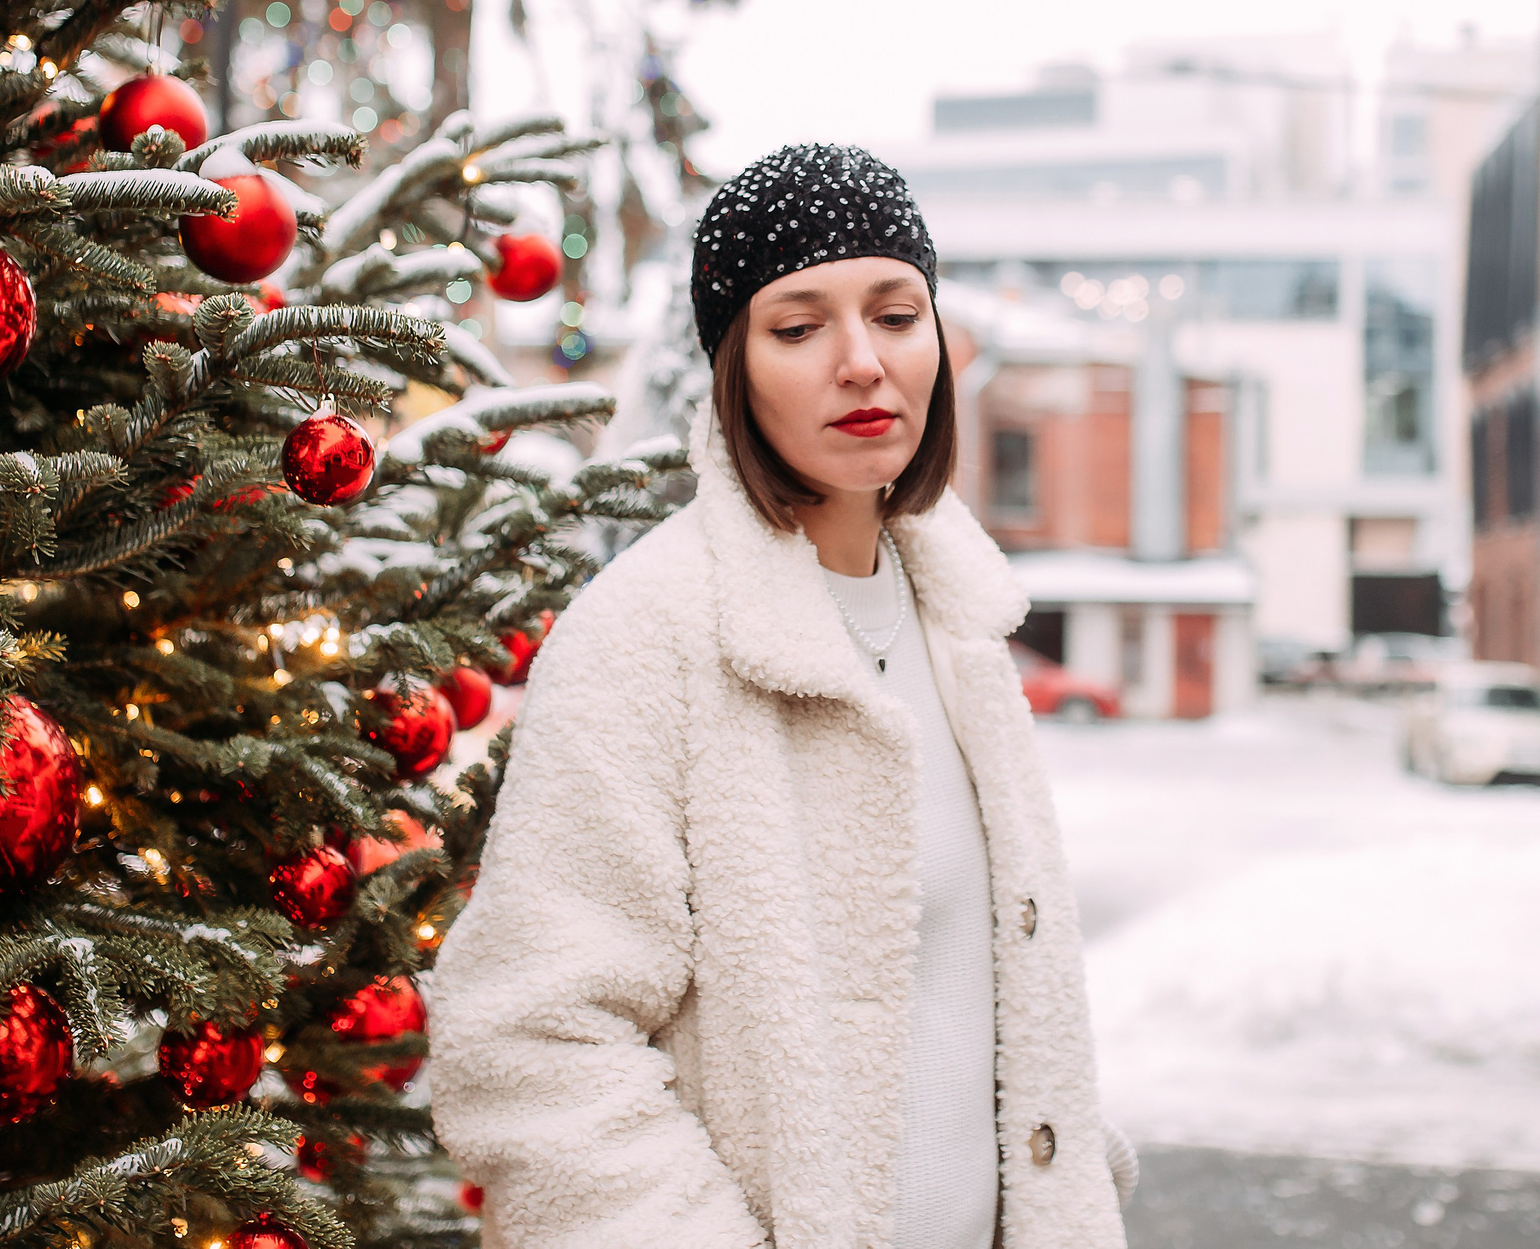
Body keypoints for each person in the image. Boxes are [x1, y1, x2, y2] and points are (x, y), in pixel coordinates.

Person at [427, 144, 1135, 1248]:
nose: (862, 362)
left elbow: (1002, 1003)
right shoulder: (647, 633)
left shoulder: (963, 624)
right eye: (798, 327)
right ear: (733, 368)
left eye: (897, 315)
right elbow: (529, 1045)